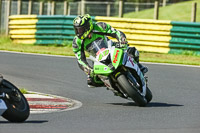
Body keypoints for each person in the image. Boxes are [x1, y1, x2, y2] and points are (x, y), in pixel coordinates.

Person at [72, 14, 148, 87]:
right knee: (91, 81)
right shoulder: (77, 41)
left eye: (81, 29)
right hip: (97, 59)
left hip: (112, 49)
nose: (79, 32)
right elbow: (80, 60)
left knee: (132, 51)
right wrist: (87, 69)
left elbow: (116, 32)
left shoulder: (100, 26)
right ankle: (111, 85)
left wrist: (122, 40)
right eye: (77, 30)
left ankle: (139, 68)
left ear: (88, 26)